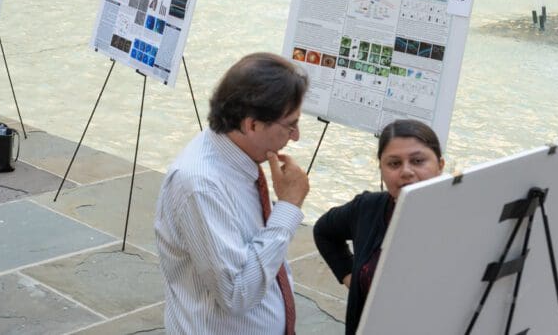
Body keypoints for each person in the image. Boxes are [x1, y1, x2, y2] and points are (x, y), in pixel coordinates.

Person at [155, 52, 310, 334]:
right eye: (291, 124)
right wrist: (287, 207)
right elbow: (236, 292)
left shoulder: (236, 156)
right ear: (251, 125)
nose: (296, 136)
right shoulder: (201, 184)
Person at [313, 119, 446, 334]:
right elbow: (323, 231)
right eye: (394, 163)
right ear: (381, 169)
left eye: (418, 161)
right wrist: (351, 276)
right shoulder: (367, 208)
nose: (406, 171)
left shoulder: (460, 217)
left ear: (440, 166)